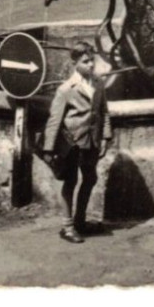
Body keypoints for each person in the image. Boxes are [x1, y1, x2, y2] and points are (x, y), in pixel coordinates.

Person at [43, 42, 111, 243]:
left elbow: (104, 112)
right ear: (75, 63)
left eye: (92, 60)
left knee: (90, 178)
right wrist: (49, 148)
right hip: (72, 142)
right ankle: (67, 226)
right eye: (85, 61)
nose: (91, 65)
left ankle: (80, 221)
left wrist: (106, 137)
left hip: (92, 141)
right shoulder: (66, 89)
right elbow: (54, 120)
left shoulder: (98, 84)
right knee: (70, 181)